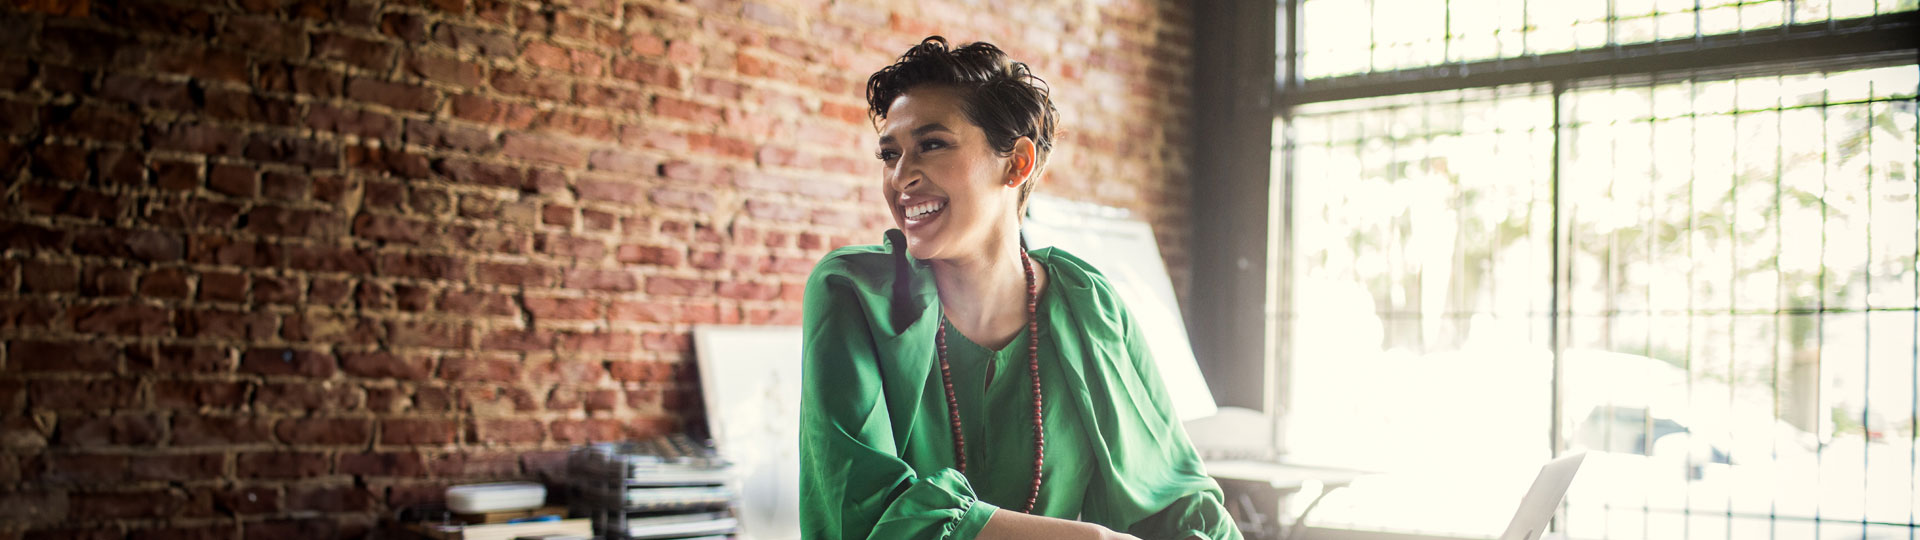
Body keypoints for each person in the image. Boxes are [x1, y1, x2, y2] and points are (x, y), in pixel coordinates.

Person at [798, 36, 1241, 540]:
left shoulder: (1088, 308)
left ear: (1017, 163)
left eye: (932, 144)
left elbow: (1177, 500)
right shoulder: (853, 293)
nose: (901, 178)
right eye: (889, 153)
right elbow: (861, 511)